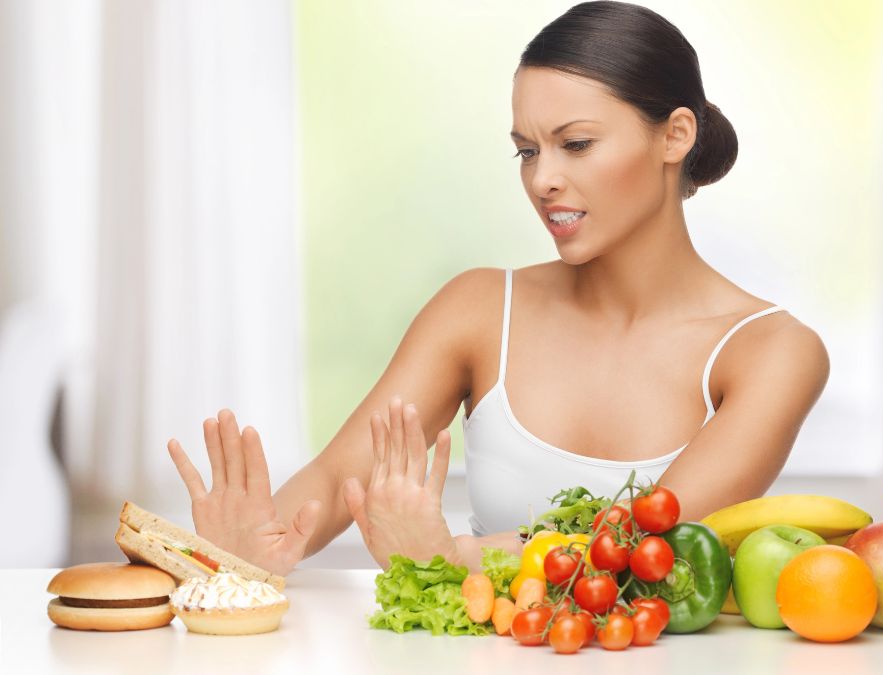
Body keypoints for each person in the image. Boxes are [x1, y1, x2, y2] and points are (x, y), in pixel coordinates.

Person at [166, 1, 829, 575]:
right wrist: (246, 545)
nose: (542, 180)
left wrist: (454, 556)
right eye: (527, 150)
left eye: (576, 143)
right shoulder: (479, 309)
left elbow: (647, 540)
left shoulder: (773, 351)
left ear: (675, 136)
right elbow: (338, 479)